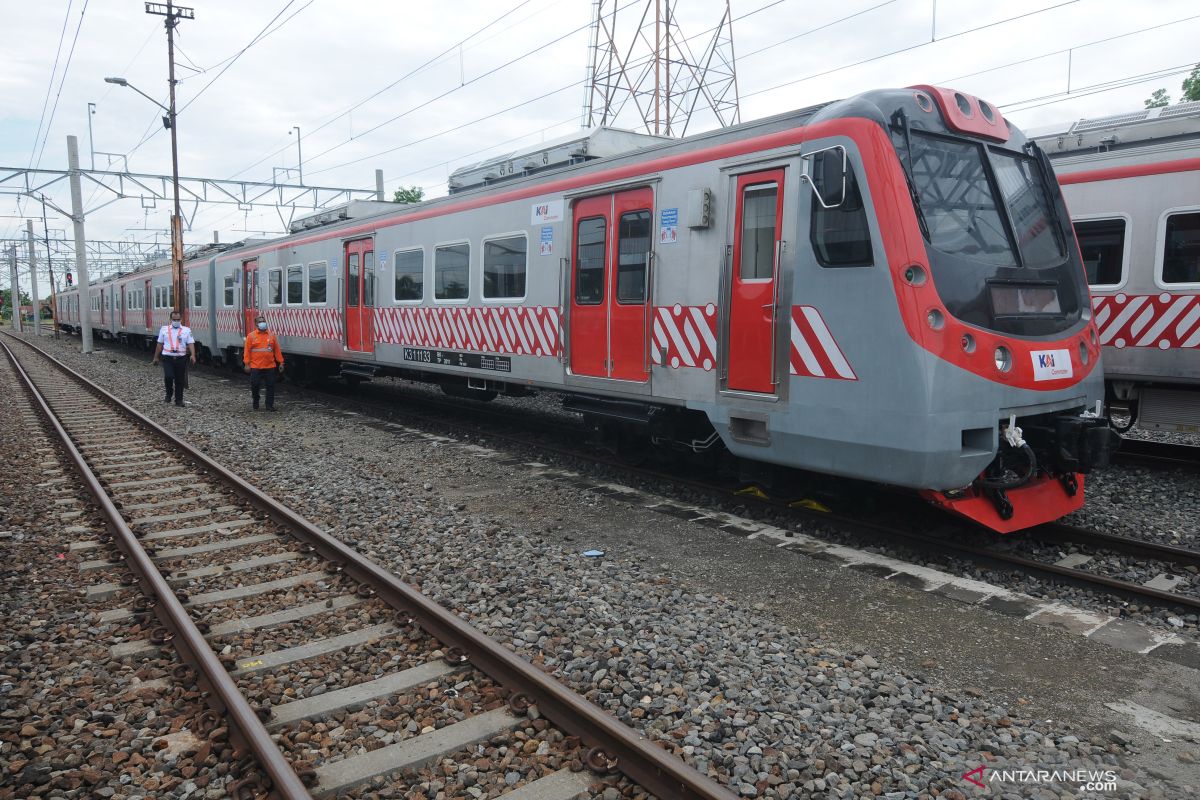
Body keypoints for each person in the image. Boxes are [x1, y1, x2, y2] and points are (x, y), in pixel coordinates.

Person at [152, 309, 196, 406]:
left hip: (181, 358)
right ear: (170, 319)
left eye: (178, 319)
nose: (176, 321)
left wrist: (193, 355)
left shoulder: (186, 330)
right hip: (168, 358)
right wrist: (156, 357)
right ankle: (169, 393)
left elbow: (191, 343)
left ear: (181, 319)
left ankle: (179, 400)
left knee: (179, 380)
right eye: (174, 319)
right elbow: (159, 344)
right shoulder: (164, 330)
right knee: (169, 376)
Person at [243, 314, 284, 411]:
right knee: (255, 384)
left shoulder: (271, 336)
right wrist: (247, 364)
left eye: (263, 321)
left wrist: (281, 362)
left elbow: (277, 350)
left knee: (271, 385)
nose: (262, 323)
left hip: (270, 366)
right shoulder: (251, 336)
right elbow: (247, 351)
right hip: (256, 366)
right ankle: (256, 399)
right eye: (260, 321)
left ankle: (269, 405)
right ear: (256, 324)